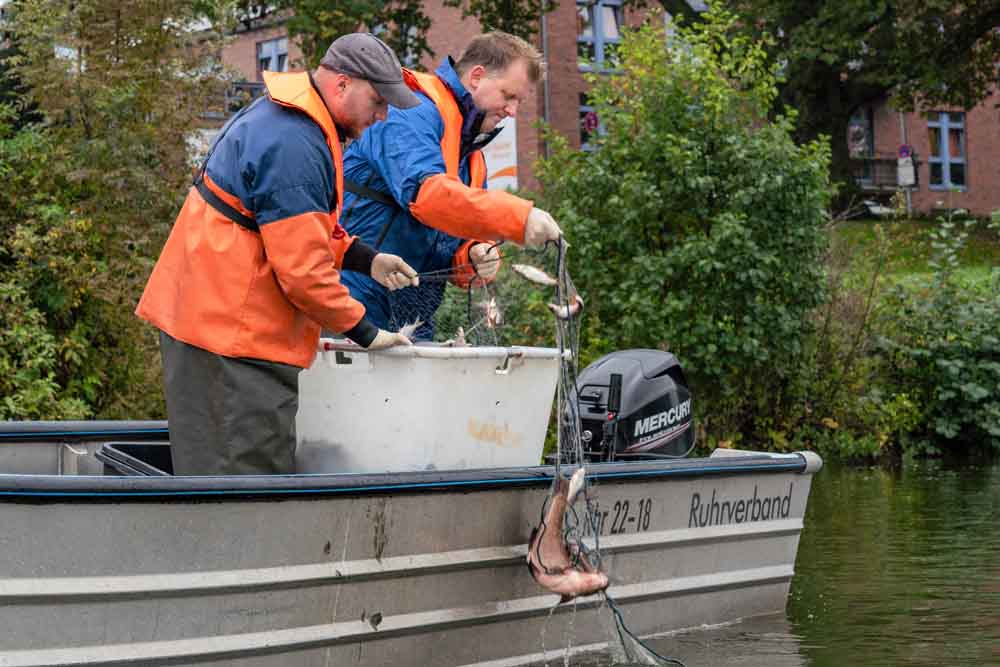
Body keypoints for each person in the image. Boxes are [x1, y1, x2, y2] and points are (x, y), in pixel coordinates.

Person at [136, 33, 422, 475]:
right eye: (378, 100)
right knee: (246, 486)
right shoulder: (296, 142)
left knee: (213, 478)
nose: (382, 115)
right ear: (342, 84)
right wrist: (366, 330)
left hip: (210, 323)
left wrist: (366, 259)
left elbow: (289, 229)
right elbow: (303, 272)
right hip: (231, 338)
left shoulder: (289, 121)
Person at [339, 31, 563, 339]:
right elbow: (428, 197)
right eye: (509, 96)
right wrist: (518, 218)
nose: (512, 112)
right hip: (352, 303)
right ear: (477, 77)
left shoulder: (471, 156)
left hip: (413, 316)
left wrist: (474, 256)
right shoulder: (412, 112)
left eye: (519, 102)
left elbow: (457, 243)